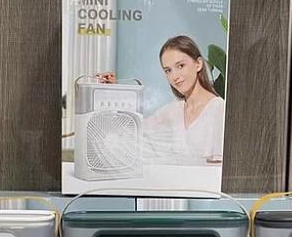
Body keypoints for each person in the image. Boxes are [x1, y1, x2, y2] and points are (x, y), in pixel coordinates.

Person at [96, 35, 225, 165]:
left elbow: (221, 167)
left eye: (180, 66)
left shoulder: (219, 109)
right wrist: (113, 90)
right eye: (168, 70)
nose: (174, 76)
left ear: (198, 64)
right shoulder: (173, 110)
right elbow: (135, 130)